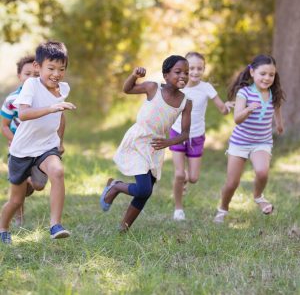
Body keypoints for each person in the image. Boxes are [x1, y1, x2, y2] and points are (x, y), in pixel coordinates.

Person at [100, 55, 192, 232]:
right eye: (178, 72)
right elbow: (127, 89)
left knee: (146, 191)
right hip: (138, 140)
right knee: (143, 189)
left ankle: (123, 228)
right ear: (166, 75)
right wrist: (134, 76)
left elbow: (186, 133)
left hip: (157, 145)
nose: (183, 76)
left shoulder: (186, 102)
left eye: (186, 73)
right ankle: (116, 186)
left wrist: (169, 142)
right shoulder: (153, 87)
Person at [0, 41, 76, 244]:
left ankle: (55, 225)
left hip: (46, 147)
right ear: (37, 67)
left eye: (61, 69)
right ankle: (3, 228)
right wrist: (52, 108)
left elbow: (61, 116)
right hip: (22, 150)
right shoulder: (31, 85)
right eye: (51, 68)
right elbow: (23, 114)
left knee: (58, 172)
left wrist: (59, 141)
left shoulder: (63, 89)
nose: (56, 74)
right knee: (16, 200)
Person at [213, 54, 284, 223]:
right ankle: (222, 209)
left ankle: (258, 197)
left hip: (262, 142)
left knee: (262, 171)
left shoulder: (273, 94)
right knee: (232, 183)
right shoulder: (244, 93)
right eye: (263, 74)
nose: (267, 78)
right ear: (252, 72)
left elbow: (277, 108)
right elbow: (237, 118)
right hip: (240, 143)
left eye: (271, 75)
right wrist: (248, 109)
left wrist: (279, 124)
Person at [169, 52, 235, 221]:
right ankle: (178, 209)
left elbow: (222, 109)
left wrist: (228, 106)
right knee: (179, 174)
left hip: (196, 136)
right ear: (184, 69)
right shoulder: (178, 86)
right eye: (191, 68)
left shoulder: (206, 88)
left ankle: (184, 180)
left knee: (193, 178)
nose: (195, 72)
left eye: (200, 68)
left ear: (204, 69)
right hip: (177, 133)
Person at [1, 55, 49, 226]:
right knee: (17, 190)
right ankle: (19, 218)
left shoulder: (45, 99)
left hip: (39, 148)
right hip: (18, 150)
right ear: (19, 76)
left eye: (36, 75)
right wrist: (15, 141)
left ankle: (29, 181)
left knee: (39, 185)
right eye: (27, 74)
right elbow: (4, 126)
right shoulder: (12, 100)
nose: (31, 78)